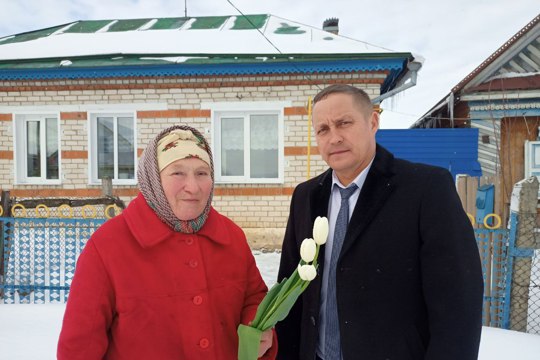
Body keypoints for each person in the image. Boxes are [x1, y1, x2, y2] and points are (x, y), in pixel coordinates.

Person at [275, 84, 484, 360]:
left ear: (372, 122)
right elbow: (292, 288)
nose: (334, 137)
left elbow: (458, 303)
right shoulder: (306, 196)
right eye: (323, 129)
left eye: (344, 123)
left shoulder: (426, 189)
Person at [58, 125, 276, 359]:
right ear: (153, 178)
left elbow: (254, 298)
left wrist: (257, 326)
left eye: (202, 173)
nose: (193, 187)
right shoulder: (108, 246)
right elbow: (79, 347)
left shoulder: (231, 236)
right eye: (177, 173)